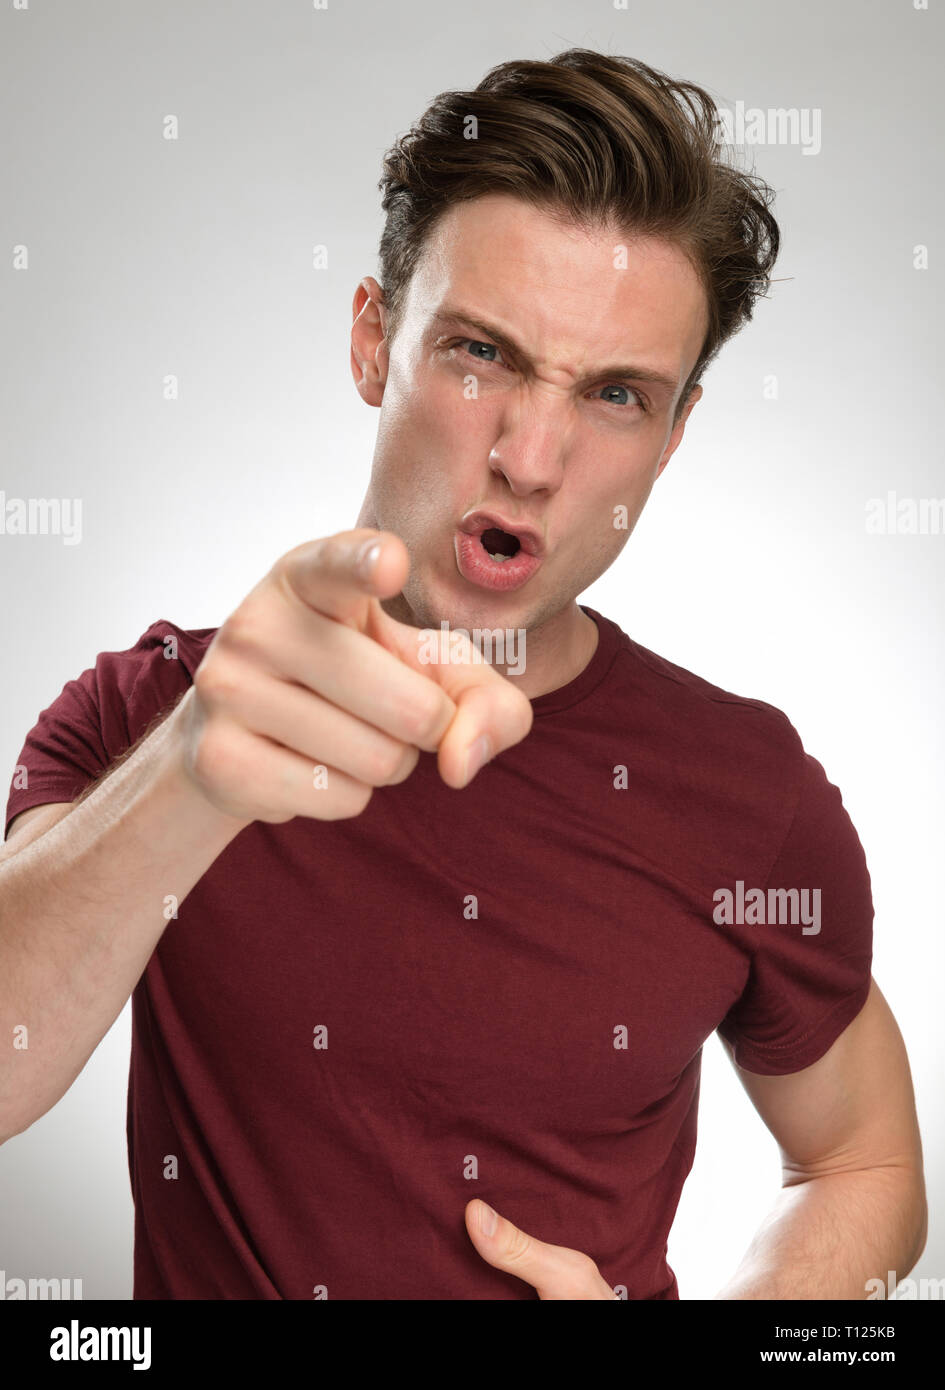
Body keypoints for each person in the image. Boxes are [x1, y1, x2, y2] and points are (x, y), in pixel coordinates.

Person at [0, 49, 926, 1301]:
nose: (532, 459)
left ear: (674, 437)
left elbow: (862, 1163)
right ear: (375, 342)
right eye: (482, 353)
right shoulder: (147, 715)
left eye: (613, 394)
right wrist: (187, 773)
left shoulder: (752, 795)